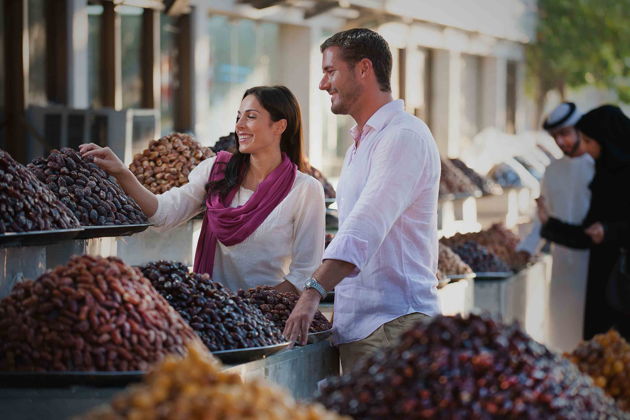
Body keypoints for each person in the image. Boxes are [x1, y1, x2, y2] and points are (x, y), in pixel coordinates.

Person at [283, 28, 441, 370]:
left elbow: (364, 226)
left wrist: (312, 291)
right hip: (367, 330)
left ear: (364, 69)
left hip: (393, 329)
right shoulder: (363, 141)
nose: (322, 85)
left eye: (330, 71)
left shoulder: (402, 137)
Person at [80, 86, 325, 294]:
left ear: (279, 126)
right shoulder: (216, 171)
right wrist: (122, 172)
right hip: (214, 314)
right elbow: (163, 214)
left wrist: (252, 307)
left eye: (250, 116)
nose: (239, 125)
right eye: (238, 116)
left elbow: (303, 274)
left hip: (267, 320)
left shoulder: (305, 189)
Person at [538, 105, 630, 341]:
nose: (586, 148)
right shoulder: (603, 173)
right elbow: (587, 234)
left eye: (590, 141)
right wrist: (550, 225)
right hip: (603, 282)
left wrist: (611, 231)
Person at [517, 102, 594, 352]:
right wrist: (527, 248)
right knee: (561, 335)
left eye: (565, 133)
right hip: (562, 266)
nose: (560, 141)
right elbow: (543, 218)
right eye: (555, 136)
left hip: (594, 265)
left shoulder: (599, 168)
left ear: (580, 130)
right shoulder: (552, 171)